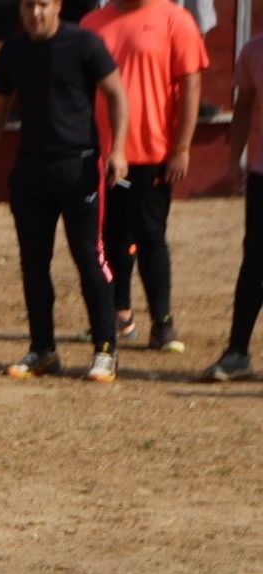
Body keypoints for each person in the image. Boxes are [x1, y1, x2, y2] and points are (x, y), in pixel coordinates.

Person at [0, 0, 128, 382]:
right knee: (33, 262)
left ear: (57, 5)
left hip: (78, 166)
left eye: (42, 4)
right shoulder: (12, 52)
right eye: (28, 5)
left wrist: (118, 149)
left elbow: (117, 94)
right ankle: (43, 349)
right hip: (32, 169)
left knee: (88, 257)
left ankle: (105, 349)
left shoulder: (84, 44)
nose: (35, 13)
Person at [81, 0, 208, 352]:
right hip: (102, 152)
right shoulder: (92, 23)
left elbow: (191, 85)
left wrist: (182, 147)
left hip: (152, 150)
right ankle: (119, 315)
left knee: (150, 236)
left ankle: (162, 322)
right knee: (109, 237)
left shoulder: (175, 20)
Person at [200, 30, 263, 382]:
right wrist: (234, 158)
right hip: (262, 174)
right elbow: (244, 106)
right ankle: (237, 351)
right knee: (255, 262)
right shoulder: (254, 50)